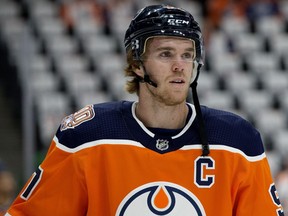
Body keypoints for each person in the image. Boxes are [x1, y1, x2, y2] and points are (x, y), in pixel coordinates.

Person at [5, 4, 284, 215]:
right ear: (137, 64)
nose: (180, 66)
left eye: (187, 55)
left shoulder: (236, 140)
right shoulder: (87, 136)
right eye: (166, 54)